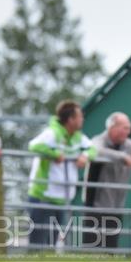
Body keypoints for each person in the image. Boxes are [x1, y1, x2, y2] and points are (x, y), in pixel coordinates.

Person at [82, 112, 131, 249]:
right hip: (95, 204)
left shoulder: (128, 144)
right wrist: (122, 157)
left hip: (117, 204)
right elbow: (96, 151)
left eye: (129, 128)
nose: (128, 131)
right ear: (112, 127)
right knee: (91, 245)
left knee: (111, 245)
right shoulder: (99, 140)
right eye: (125, 128)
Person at [26, 100, 96, 249]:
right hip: (42, 196)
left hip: (61, 199)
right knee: (37, 243)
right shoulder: (52, 133)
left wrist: (86, 156)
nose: (82, 119)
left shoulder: (78, 137)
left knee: (52, 243)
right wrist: (54, 154)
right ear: (70, 119)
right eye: (79, 117)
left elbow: (93, 148)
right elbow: (34, 145)